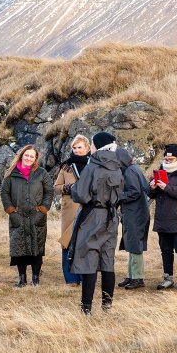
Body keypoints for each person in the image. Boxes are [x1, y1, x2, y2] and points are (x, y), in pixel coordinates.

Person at [68, 131, 126, 315]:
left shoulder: (92, 165)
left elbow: (82, 194)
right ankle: (107, 307)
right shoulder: (117, 166)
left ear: (97, 145)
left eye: (92, 143)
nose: (90, 147)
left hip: (93, 215)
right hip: (111, 217)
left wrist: (72, 189)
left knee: (88, 259)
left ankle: (86, 308)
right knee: (107, 261)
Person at [0, 145, 54, 287]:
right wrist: (10, 209)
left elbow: (49, 191)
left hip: (37, 217)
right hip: (18, 216)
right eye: (26, 155)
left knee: (37, 248)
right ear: (21, 156)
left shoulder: (42, 173)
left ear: (35, 158)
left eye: (32, 156)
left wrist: (43, 208)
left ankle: (35, 278)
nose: (29, 158)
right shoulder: (11, 173)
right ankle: (22, 278)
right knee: (19, 249)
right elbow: (4, 193)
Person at [149, 144, 177, 290]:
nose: (167, 161)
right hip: (162, 218)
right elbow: (151, 194)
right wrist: (152, 188)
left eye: (170, 159)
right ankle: (167, 277)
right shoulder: (160, 171)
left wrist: (167, 188)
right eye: (166, 159)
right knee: (165, 250)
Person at [55, 135, 91, 286]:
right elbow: (56, 188)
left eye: (80, 147)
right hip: (70, 210)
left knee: (85, 244)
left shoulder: (93, 165)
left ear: (87, 148)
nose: (77, 150)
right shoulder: (66, 166)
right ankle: (71, 279)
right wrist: (68, 188)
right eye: (74, 148)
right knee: (68, 243)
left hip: (89, 209)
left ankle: (85, 277)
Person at [117, 146, 151, 290]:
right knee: (132, 244)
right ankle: (132, 276)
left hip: (135, 213)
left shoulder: (130, 171)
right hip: (136, 212)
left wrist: (118, 196)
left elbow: (134, 192)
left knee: (135, 245)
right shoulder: (133, 169)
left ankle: (137, 278)